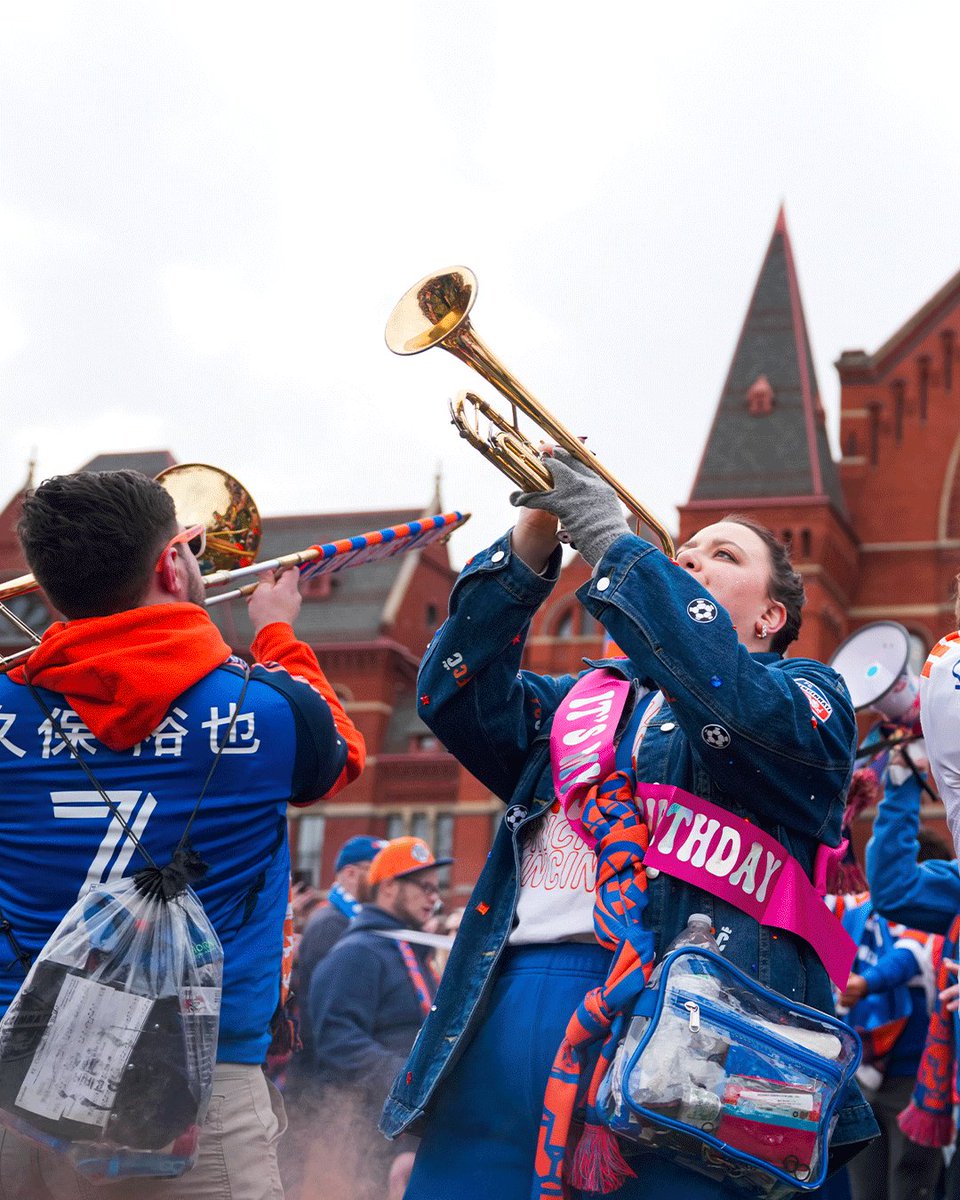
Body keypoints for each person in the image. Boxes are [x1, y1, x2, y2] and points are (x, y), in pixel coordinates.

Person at [381, 448, 877, 1199]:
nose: (691, 559)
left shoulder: (811, 693)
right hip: (509, 1003)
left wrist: (618, 549)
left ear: (772, 616)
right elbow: (454, 694)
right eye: (686, 551)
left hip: (698, 1028)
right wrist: (530, 547)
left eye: (725, 554)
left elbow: (742, 714)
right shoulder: (578, 700)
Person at [0, 469, 365, 1200]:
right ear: (172, 564)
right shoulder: (268, 709)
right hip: (194, 1092)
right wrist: (278, 631)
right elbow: (343, 752)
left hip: (16, 1087)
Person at [300, 836, 451, 1200]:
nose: (434, 898)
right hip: (361, 1134)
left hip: (398, 1132)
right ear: (388, 888)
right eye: (424, 887)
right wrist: (410, 1082)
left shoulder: (405, 950)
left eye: (436, 888)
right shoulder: (357, 953)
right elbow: (339, 1044)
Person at [295, 834, 388, 1007]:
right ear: (351, 874)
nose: (386, 882)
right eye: (378, 872)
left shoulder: (350, 920)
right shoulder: (330, 925)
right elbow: (331, 1003)